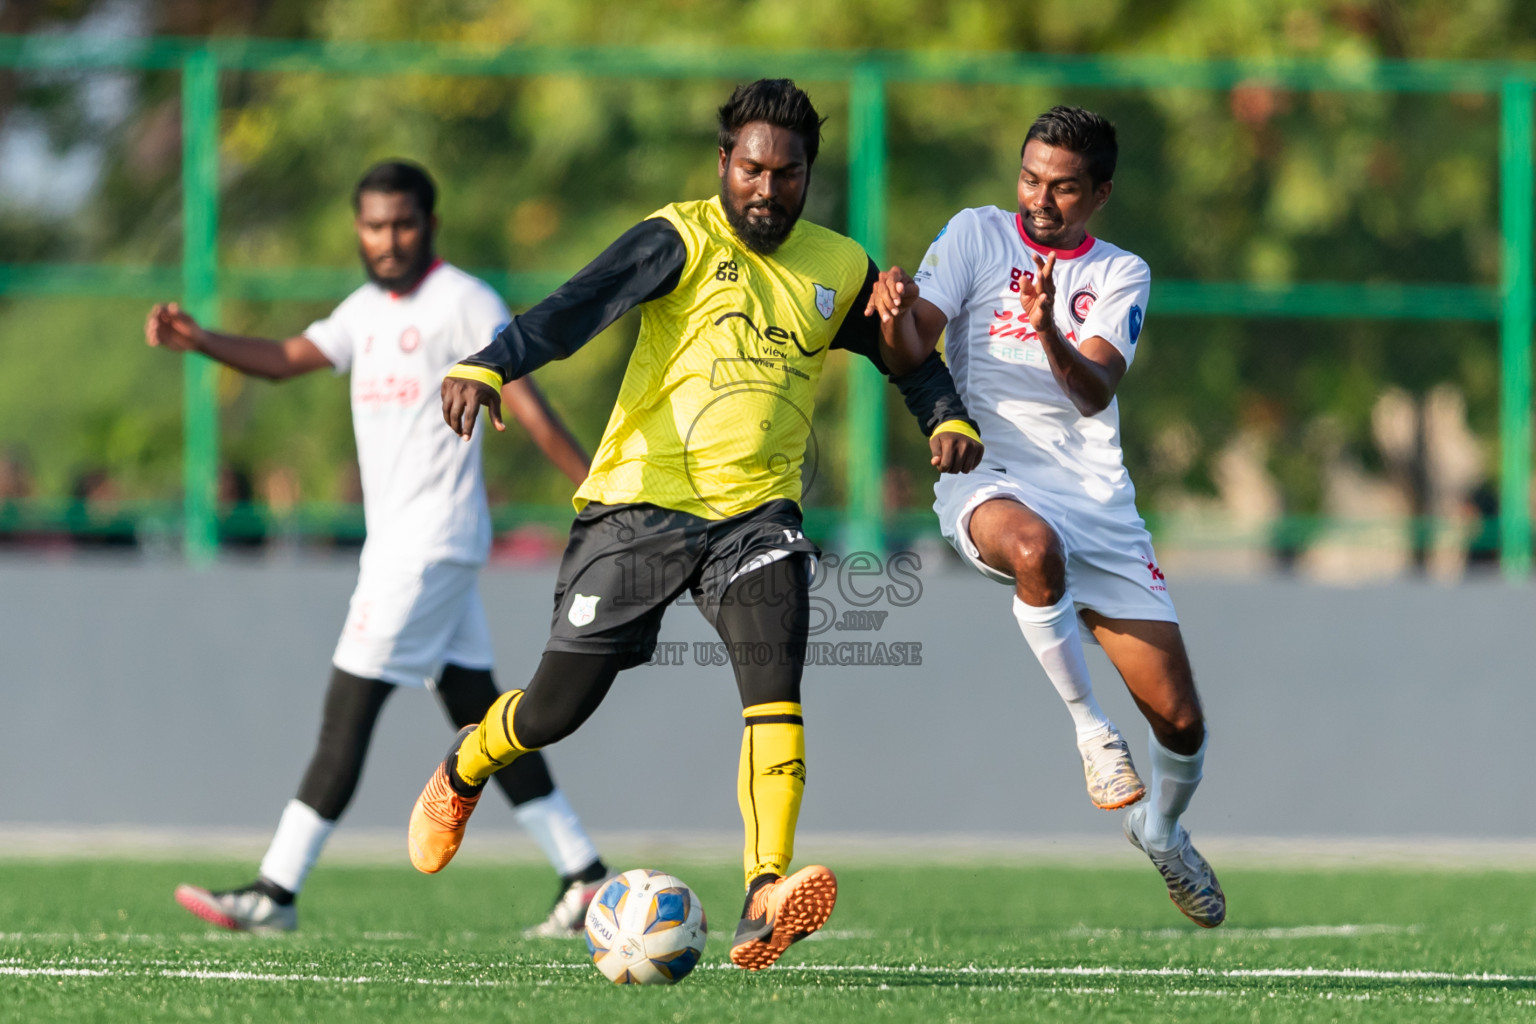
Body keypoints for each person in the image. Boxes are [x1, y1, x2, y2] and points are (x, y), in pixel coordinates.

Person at [407, 79, 984, 970]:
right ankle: (468, 761)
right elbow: (571, 309)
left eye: (786, 174)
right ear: (724, 164)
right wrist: (488, 364)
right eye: (751, 168)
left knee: (776, 686)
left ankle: (765, 895)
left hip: (756, 517)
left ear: (808, 176)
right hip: (637, 511)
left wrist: (946, 415)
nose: (767, 188)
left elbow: (905, 356)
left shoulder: (838, 267)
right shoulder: (678, 238)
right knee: (555, 709)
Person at [147, 160, 613, 937]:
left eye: (401, 224)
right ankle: (584, 876)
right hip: (405, 548)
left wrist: (605, 494)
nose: (387, 239)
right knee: (480, 712)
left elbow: (529, 406)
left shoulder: (463, 300)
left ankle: (275, 891)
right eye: (373, 225)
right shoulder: (362, 311)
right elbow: (288, 360)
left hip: (427, 548)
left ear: (428, 224)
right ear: (357, 230)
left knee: (347, 712)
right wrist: (202, 341)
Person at [874, 106, 1223, 927]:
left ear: (1099, 193)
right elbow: (912, 348)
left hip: (1097, 503)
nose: (1039, 200)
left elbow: (1096, 389)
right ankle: (1090, 731)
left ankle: (1162, 831)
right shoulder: (975, 235)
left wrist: (1047, 333)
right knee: (1032, 546)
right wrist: (894, 316)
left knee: (1181, 721)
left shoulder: (1122, 272)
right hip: (988, 478)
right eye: (1030, 178)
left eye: (1063, 188)